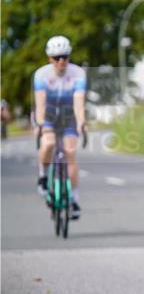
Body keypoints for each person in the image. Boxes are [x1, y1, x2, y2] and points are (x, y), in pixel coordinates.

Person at [34, 35, 87, 219]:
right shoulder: (41, 75)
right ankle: (43, 175)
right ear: (50, 58)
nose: (62, 61)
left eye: (65, 56)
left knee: (70, 152)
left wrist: (81, 122)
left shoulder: (78, 74)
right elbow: (40, 104)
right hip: (47, 115)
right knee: (48, 143)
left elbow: (79, 102)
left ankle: (73, 199)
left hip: (68, 115)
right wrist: (41, 125)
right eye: (57, 58)